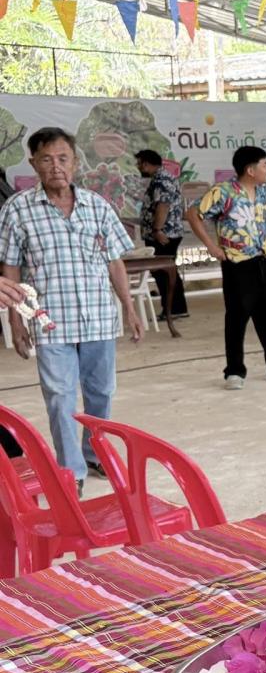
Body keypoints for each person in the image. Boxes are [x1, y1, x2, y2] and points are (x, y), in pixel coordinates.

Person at [0, 127, 143, 488]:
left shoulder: (97, 206)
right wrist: (16, 323)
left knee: (101, 394)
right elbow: (11, 270)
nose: (56, 167)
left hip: (98, 319)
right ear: (33, 163)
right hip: (51, 324)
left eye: (63, 158)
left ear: (75, 162)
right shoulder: (17, 210)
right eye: (46, 160)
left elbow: (114, 263)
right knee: (60, 398)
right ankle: (72, 471)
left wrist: (129, 307)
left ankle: (95, 456)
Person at [186, 146, 266, 390]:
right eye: (264, 164)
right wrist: (212, 247)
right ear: (250, 169)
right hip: (237, 264)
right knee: (236, 318)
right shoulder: (223, 192)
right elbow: (193, 214)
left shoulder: (265, 193)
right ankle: (234, 371)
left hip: (264, 261)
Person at [134, 149, 188, 319]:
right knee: (164, 271)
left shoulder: (162, 180)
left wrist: (157, 230)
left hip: (164, 234)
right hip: (165, 232)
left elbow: (162, 206)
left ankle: (175, 309)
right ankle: (173, 309)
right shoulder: (161, 178)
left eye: (139, 163)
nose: (138, 167)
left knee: (165, 272)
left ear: (146, 164)